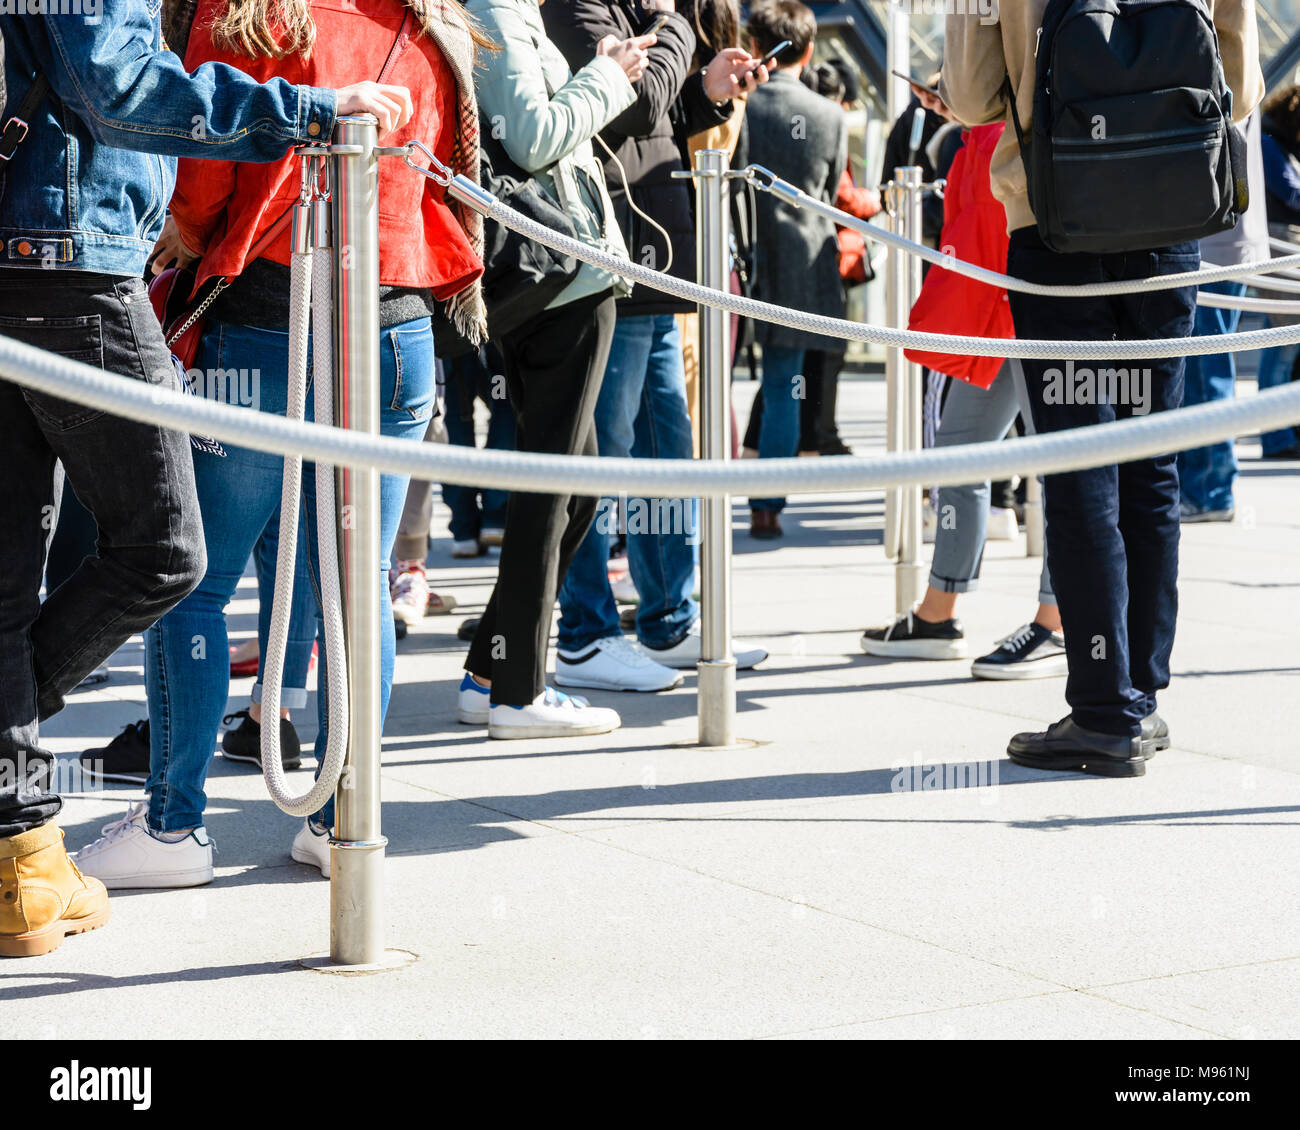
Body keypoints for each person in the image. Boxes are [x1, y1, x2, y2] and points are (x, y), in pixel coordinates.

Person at [0, 1, 405, 956]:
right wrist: (305, 111)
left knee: (12, 575)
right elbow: (121, 88)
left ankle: (19, 857)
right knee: (164, 548)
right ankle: (14, 828)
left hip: (37, 254)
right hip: (71, 259)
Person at [71, 0, 480, 889]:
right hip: (400, 324)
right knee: (357, 591)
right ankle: (345, 821)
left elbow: (198, 189)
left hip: (267, 317)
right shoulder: (434, 16)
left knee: (194, 584)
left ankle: (174, 826)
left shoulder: (248, 10)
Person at [941, 0, 1262, 776]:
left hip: (1058, 224)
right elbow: (1241, 91)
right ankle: (1140, 696)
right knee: (1151, 461)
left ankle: (1101, 710)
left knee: (1081, 463)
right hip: (1169, 213)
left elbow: (974, 98)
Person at [545, 0, 769, 692]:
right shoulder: (580, 8)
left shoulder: (635, 12)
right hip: (609, 265)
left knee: (665, 451)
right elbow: (635, 107)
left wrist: (705, 88)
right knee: (600, 451)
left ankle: (669, 618)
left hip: (655, 266)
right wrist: (678, 28)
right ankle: (585, 633)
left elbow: (662, 117)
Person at [455, 0, 653, 739]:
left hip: (561, 273)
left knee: (572, 489)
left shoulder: (504, 14)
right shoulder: (498, 15)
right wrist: (606, 77)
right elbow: (533, 137)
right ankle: (518, 688)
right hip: (559, 278)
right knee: (552, 489)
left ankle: (493, 671)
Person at [861, 122, 1064, 680]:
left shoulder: (1021, 96)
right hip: (994, 305)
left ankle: (1058, 623)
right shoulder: (977, 127)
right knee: (959, 454)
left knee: (1059, 465)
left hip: (1033, 297)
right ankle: (937, 612)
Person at [741, 0, 846, 540]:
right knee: (786, 383)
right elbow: (829, 196)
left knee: (701, 378)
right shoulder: (829, 115)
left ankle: (706, 493)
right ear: (808, 50)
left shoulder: (738, 104)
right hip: (803, 261)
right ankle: (766, 505)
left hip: (737, 255)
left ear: (755, 47)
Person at [1177, 111, 1270, 522]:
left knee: (1205, 374)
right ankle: (1209, 486)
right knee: (1208, 371)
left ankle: (1210, 490)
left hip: (1213, 241)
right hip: (1227, 238)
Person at [1254, 85, 1300, 460]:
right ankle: (1276, 436)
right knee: (1283, 343)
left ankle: (1283, 431)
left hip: (1288, 250)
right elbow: (1291, 193)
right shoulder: (1269, 143)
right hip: (1282, 250)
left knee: (1286, 342)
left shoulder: (1278, 143)